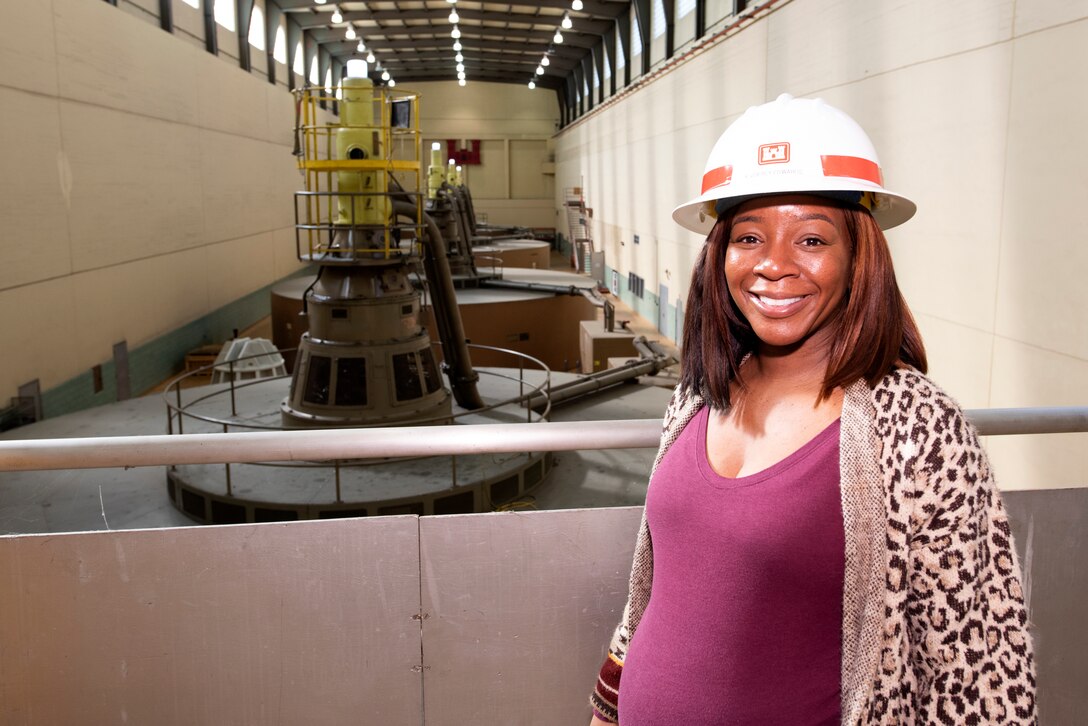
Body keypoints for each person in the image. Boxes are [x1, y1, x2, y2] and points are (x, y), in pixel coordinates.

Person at [588, 94, 1036, 725]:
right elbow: (657, 596)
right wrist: (607, 709)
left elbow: (984, 675)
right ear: (718, 255)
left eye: (811, 238)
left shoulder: (916, 427)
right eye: (749, 236)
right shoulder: (697, 396)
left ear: (859, 257)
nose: (774, 264)